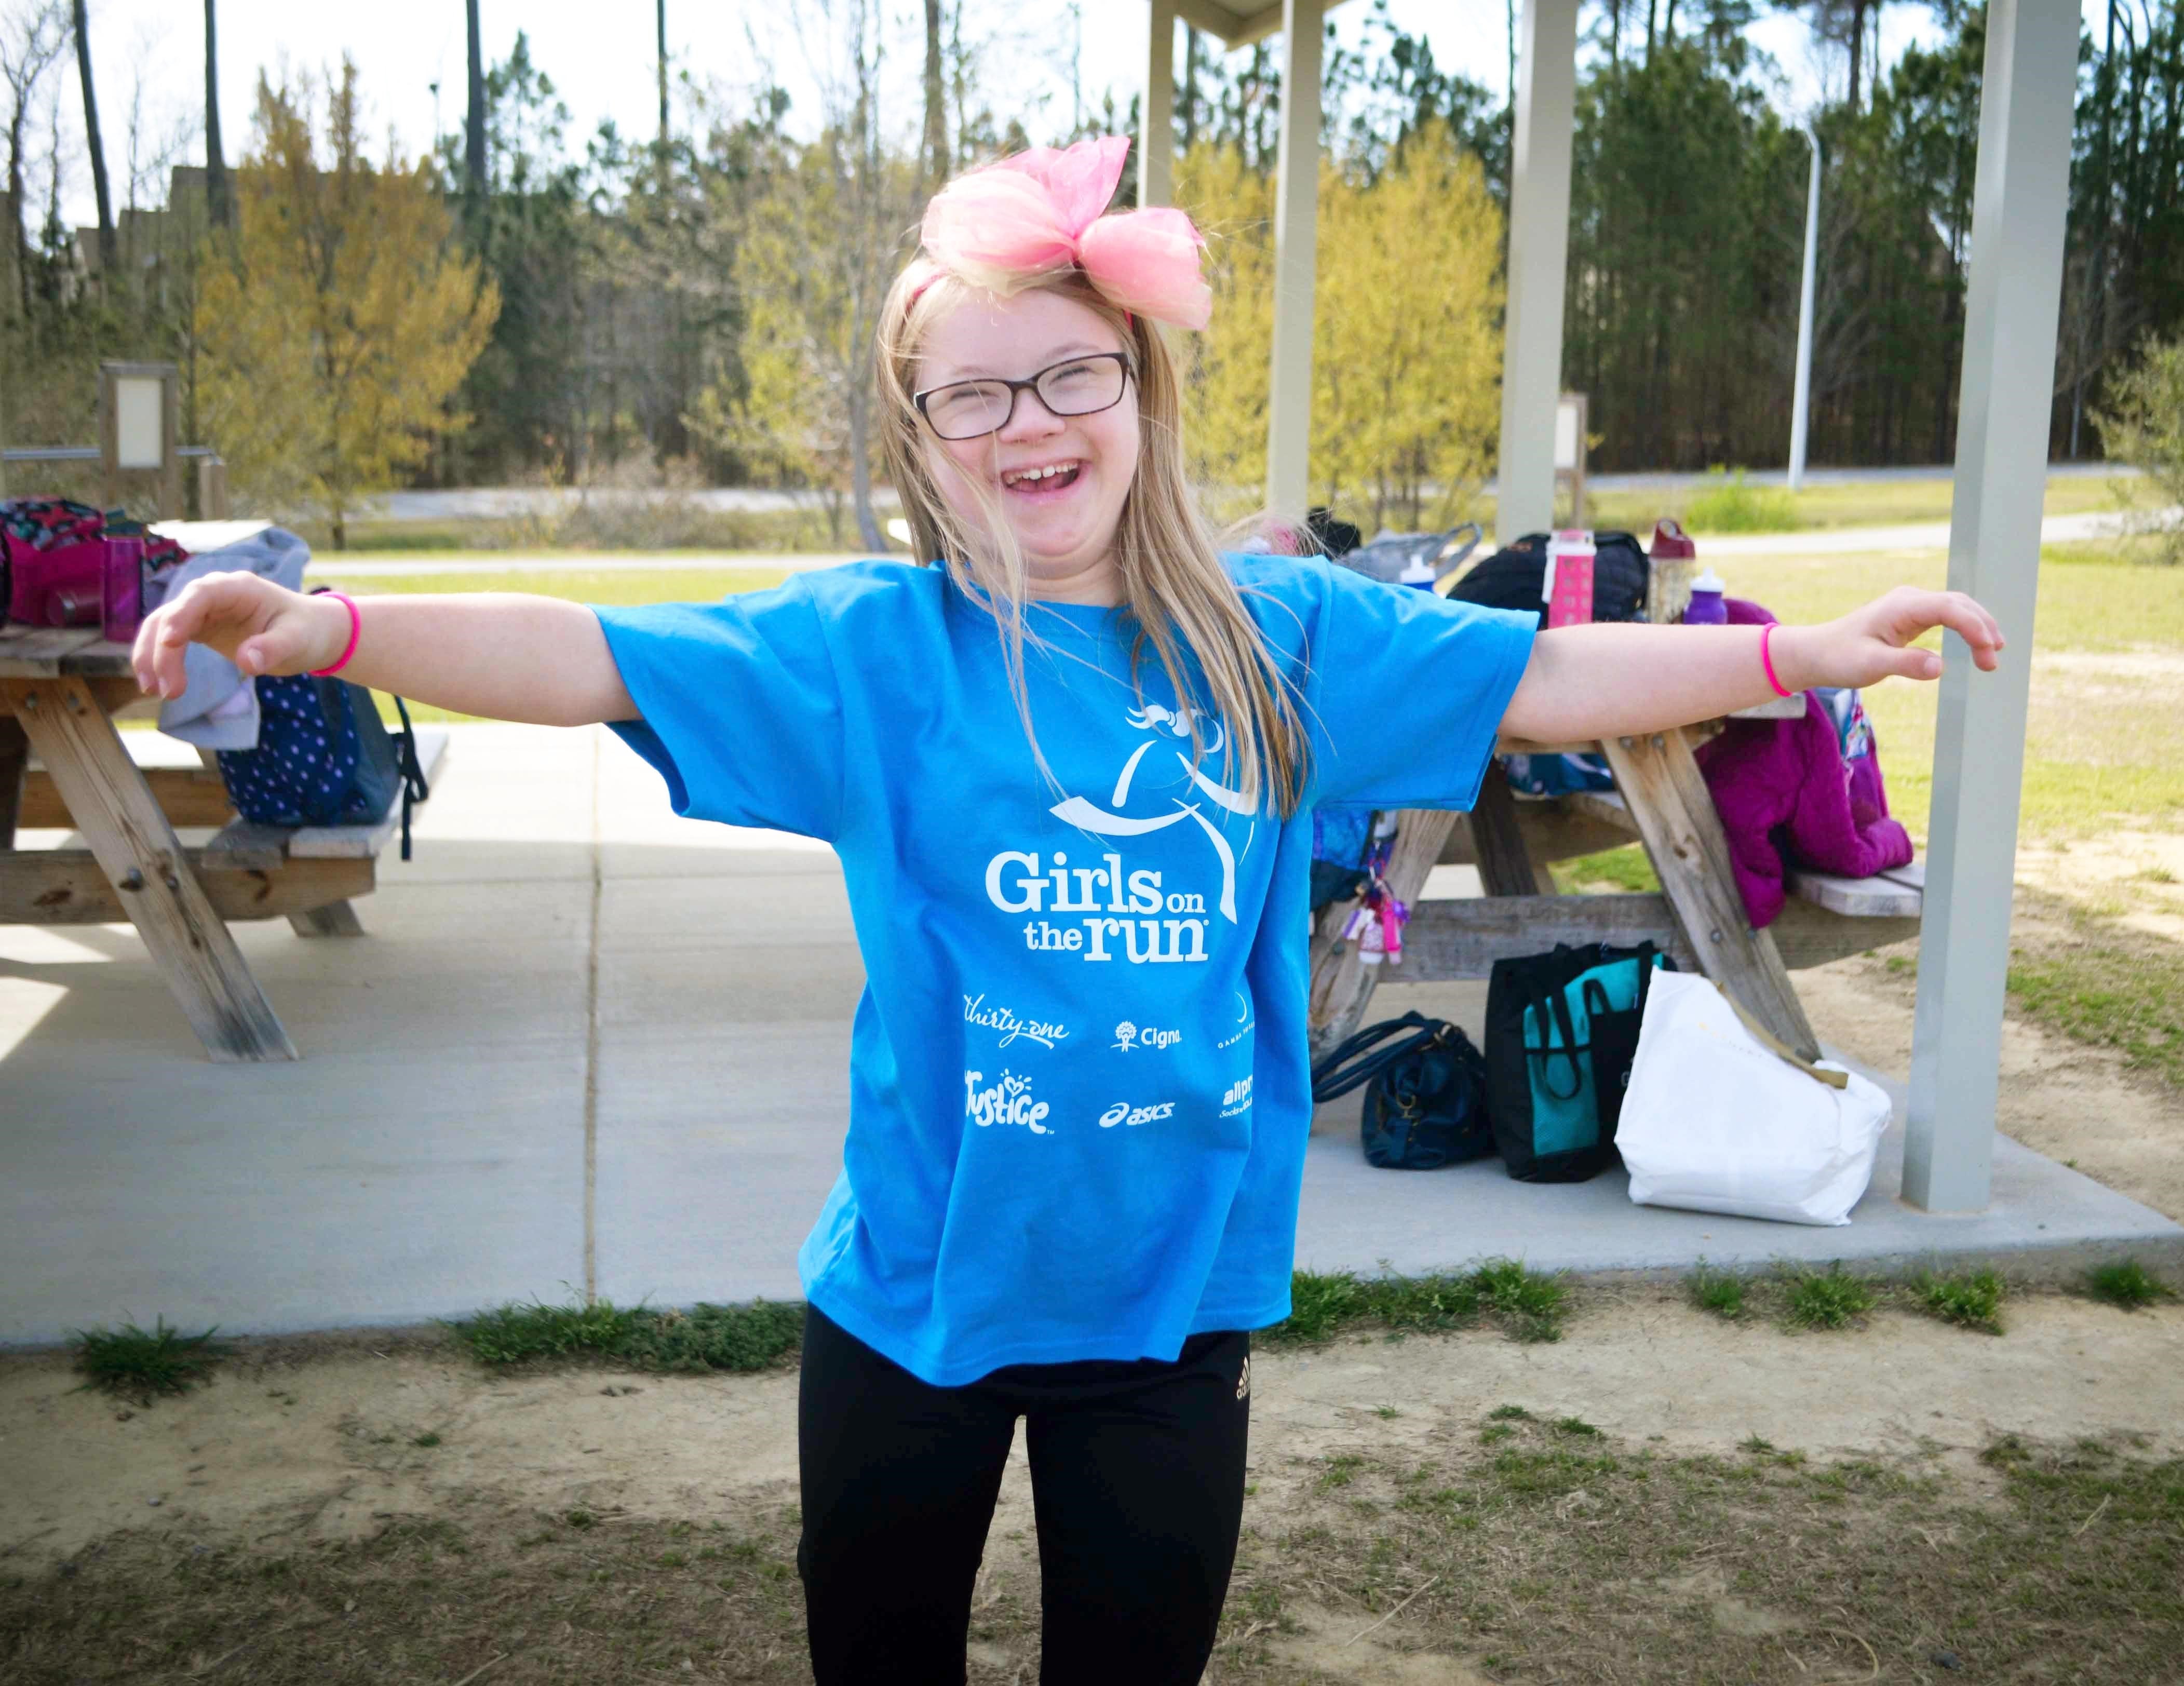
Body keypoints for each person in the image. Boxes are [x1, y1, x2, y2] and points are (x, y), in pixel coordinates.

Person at [131, 136, 2003, 1685]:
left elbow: (1539, 680)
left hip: (1171, 1304)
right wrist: (335, 630)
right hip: (914, 1300)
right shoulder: (875, 654)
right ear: (920, 429)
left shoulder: (1285, 645)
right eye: (973, 391)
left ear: (1139, 387)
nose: (1028, 420)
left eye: (1070, 374)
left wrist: (1796, 653)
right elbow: (591, 651)